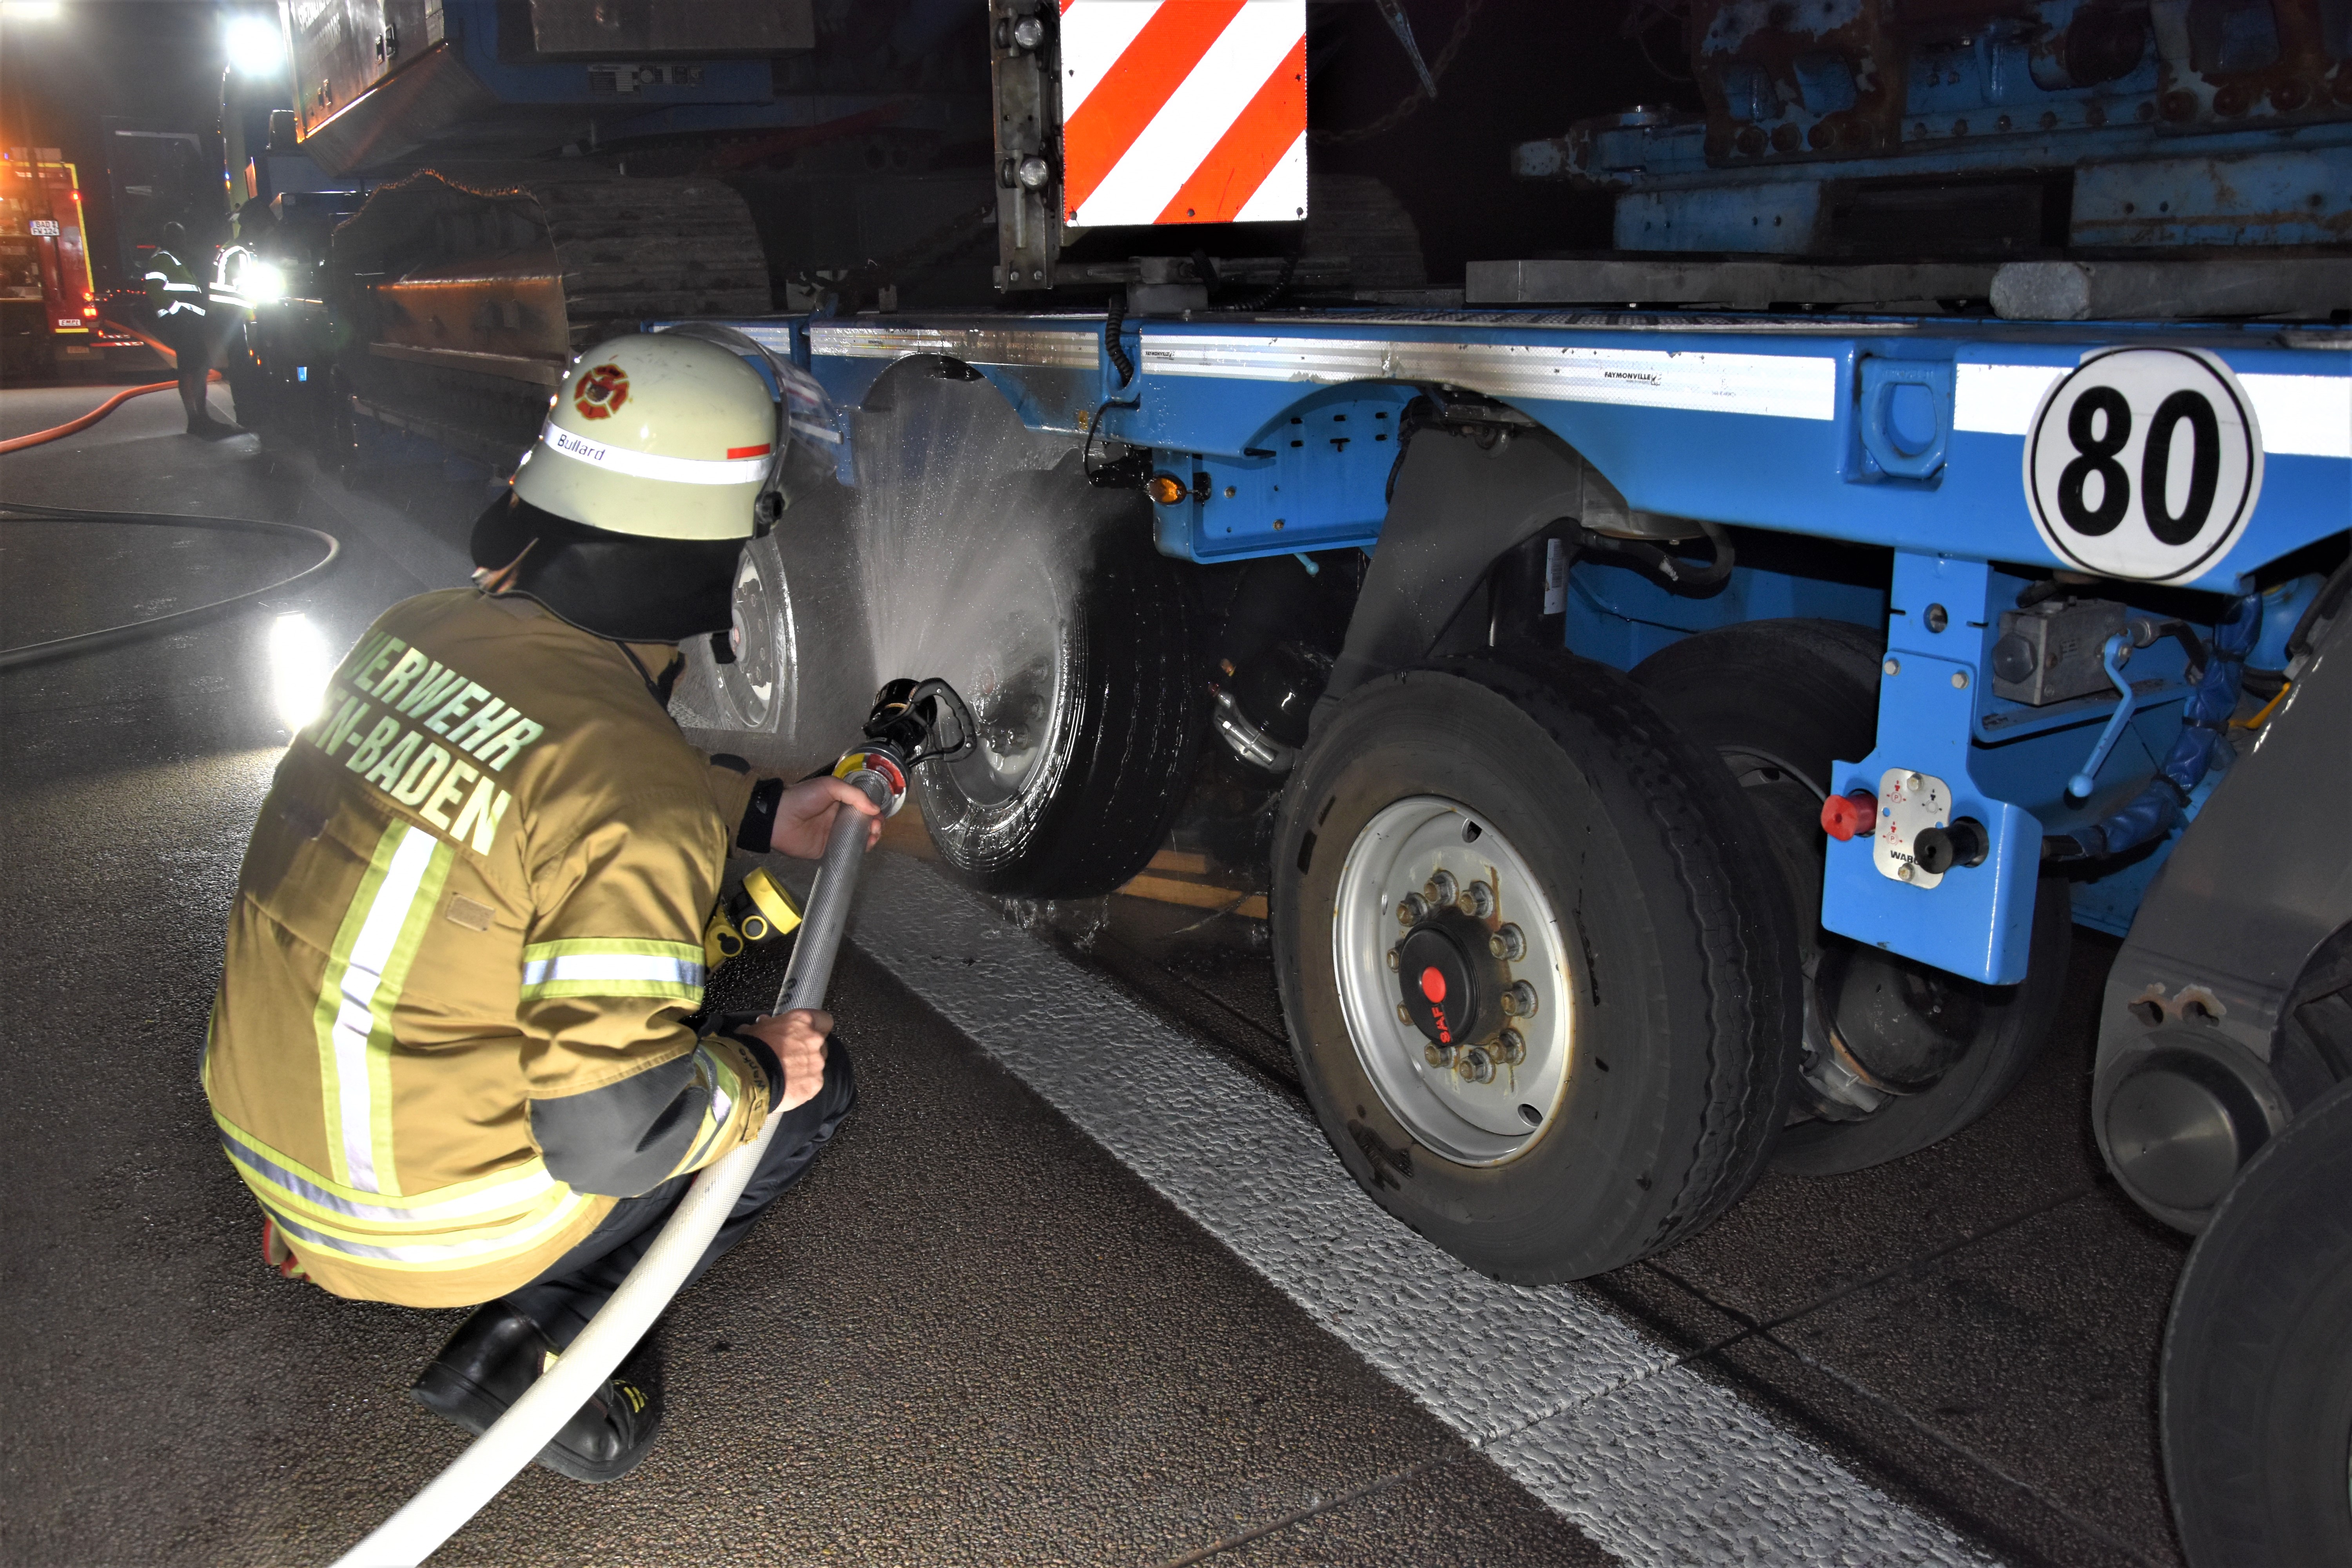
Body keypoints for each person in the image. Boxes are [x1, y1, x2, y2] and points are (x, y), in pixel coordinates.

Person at [203, 332, 878, 1482]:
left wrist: (762, 812)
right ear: (713, 553)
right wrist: (765, 1069)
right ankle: (545, 1337)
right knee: (806, 1093)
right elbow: (615, 1134)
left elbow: (519, 797)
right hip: (430, 1224)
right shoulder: (634, 787)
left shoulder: (411, 632)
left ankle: (344, 1232)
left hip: (272, 1161)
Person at [142, 220, 243, 439]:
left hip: (189, 322)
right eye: (179, 236)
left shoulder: (177, 260)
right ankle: (196, 419)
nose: (183, 240)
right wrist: (176, 311)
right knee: (190, 369)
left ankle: (201, 417)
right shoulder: (163, 259)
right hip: (181, 323)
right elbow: (154, 290)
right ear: (169, 238)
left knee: (199, 367)